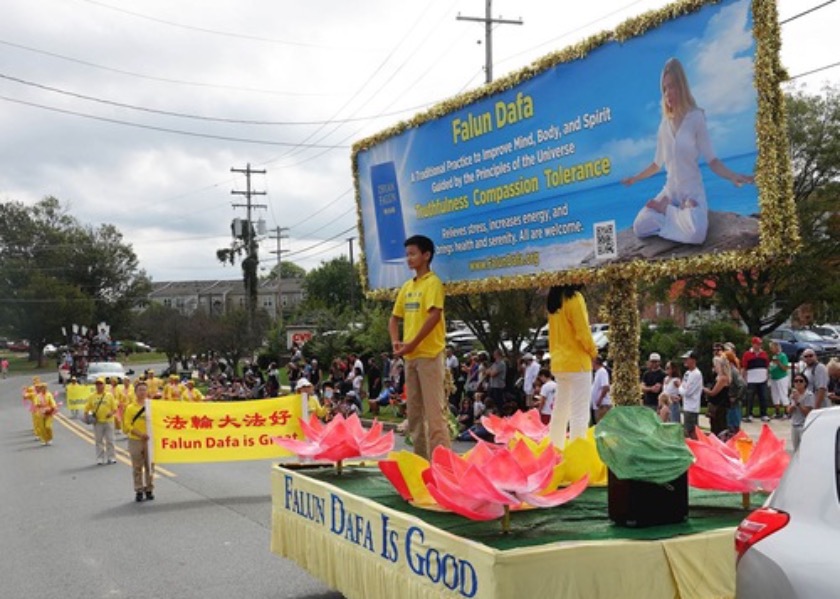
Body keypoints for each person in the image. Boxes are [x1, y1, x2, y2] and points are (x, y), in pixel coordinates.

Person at [622, 57, 754, 245]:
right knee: (640, 226)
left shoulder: (696, 117)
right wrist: (635, 178)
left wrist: (733, 176)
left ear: (682, 86)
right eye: (664, 88)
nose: (668, 93)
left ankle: (670, 211)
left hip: (691, 192)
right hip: (670, 192)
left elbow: (712, 160)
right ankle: (676, 212)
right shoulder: (664, 125)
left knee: (696, 235)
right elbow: (656, 164)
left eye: (672, 86)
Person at [388, 235, 450, 460]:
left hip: (429, 355)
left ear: (426, 255)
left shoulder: (433, 283)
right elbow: (394, 318)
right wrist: (396, 341)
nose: (409, 258)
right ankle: (422, 461)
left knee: (434, 414)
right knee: (414, 415)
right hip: (410, 357)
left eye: (413, 254)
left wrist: (412, 343)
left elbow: (434, 316)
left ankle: (442, 464)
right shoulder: (407, 286)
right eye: (407, 255)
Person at [546, 285, 597, 445]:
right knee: (579, 413)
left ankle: (555, 448)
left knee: (560, 410)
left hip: (559, 363)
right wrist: (593, 351)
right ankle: (577, 451)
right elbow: (583, 332)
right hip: (577, 363)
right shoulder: (574, 298)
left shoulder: (554, 299)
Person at [123, 380, 154, 502]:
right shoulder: (130, 408)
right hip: (136, 440)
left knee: (150, 466)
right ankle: (139, 490)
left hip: (150, 441)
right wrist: (140, 434)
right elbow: (127, 425)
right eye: (140, 390)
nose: (142, 392)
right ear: (135, 392)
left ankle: (149, 489)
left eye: (144, 390)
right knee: (137, 467)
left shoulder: (152, 406)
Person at [84, 377, 118, 465]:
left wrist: (111, 413)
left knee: (110, 440)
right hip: (97, 422)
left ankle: (111, 457)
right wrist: (86, 416)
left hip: (108, 421)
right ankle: (100, 458)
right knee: (98, 441)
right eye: (97, 384)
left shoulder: (109, 396)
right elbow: (87, 408)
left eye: (100, 384)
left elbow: (114, 408)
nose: (99, 386)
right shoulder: (92, 396)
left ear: (104, 385)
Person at [741, 337, 770, 422]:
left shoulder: (764, 353)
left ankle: (764, 414)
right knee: (750, 398)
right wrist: (743, 378)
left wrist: (767, 376)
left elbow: (767, 366)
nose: (759, 346)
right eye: (757, 344)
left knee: (763, 397)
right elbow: (744, 367)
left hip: (762, 379)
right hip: (751, 379)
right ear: (753, 344)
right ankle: (749, 414)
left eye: (760, 344)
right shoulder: (747, 354)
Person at [703, 356, 730, 437]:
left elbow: (713, 392)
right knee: (714, 425)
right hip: (715, 404)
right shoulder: (717, 378)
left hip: (720, 405)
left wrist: (703, 389)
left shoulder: (723, 378)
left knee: (719, 427)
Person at [788, 374, 815, 451]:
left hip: (804, 425)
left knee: (805, 449)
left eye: (801, 381)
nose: (798, 383)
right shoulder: (792, 395)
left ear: (805, 383)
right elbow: (789, 411)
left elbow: (808, 413)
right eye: (796, 381)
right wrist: (793, 404)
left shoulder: (809, 395)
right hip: (794, 425)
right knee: (796, 449)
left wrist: (798, 403)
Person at [679, 351, 703, 439]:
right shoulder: (687, 373)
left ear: (693, 360)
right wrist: (681, 388)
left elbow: (687, 392)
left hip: (692, 408)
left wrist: (680, 388)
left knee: (691, 432)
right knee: (687, 431)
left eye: (687, 359)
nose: (685, 361)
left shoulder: (696, 374)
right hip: (686, 406)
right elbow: (683, 385)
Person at [768, 341, 791, 419]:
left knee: (783, 394)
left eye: (772, 347)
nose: (771, 349)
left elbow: (785, 368)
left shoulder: (783, 356)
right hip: (774, 378)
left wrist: (778, 363)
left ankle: (787, 412)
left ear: (776, 347)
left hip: (781, 378)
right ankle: (777, 412)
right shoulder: (774, 356)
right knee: (775, 395)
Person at [590, 356, 611, 423]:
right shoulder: (598, 372)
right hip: (599, 405)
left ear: (595, 362)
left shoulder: (602, 372)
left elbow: (606, 387)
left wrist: (600, 400)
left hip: (602, 405)